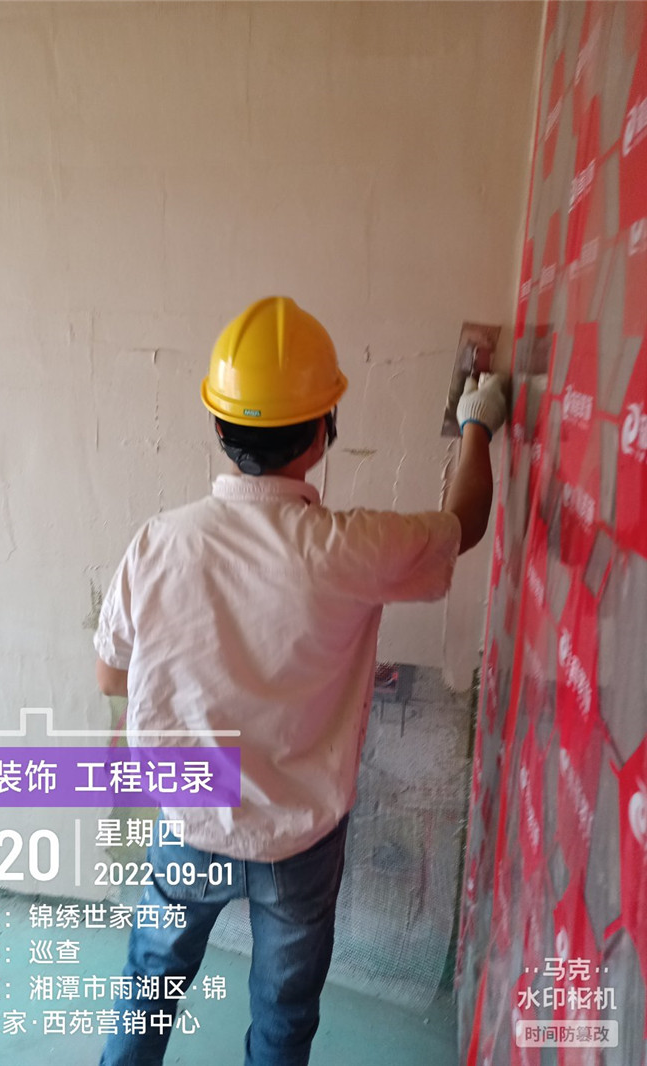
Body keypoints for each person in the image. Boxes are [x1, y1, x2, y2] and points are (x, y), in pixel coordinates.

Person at [93, 296, 506, 1066]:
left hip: (191, 818)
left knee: (149, 986)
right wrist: (477, 421)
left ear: (217, 425)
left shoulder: (158, 542)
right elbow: (464, 526)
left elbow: (110, 673)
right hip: (299, 836)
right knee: (284, 1012)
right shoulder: (353, 547)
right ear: (322, 432)